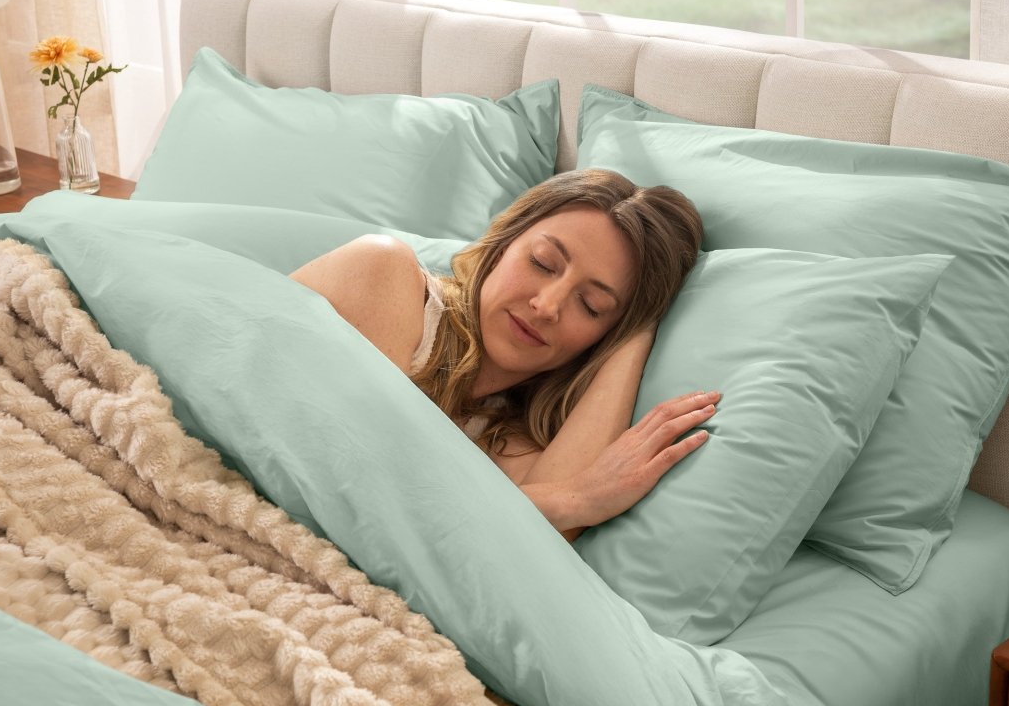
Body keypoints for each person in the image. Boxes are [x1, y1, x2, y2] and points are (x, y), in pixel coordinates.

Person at [290, 168, 716, 540]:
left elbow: (531, 554)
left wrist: (635, 333)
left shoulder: (508, 437)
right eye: (543, 263)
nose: (547, 306)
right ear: (504, 242)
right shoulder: (383, 270)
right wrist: (575, 498)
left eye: (591, 306)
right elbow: (363, 494)